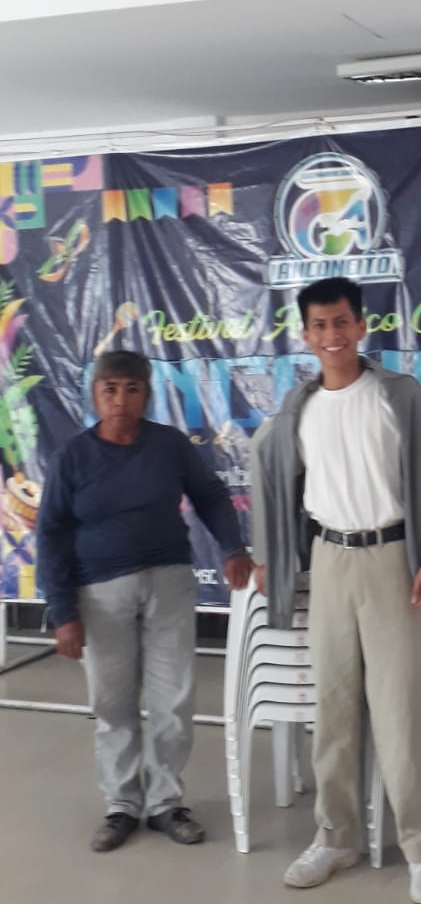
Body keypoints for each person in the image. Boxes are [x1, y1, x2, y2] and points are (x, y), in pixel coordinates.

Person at [251, 277, 421, 904]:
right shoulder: (298, 408)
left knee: (400, 709)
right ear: (305, 335)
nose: (331, 335)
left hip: (392, 559)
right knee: (333, 706)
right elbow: (276, 487)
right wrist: (272, 557)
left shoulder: (400, 397)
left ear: (362, 326)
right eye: (319, 325)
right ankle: (336, 837)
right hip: (328, 560)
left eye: (341, 322)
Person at [36, 349, 253, 853]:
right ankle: (121, 805)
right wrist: (63, 612)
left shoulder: (168, 445)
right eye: (110, 389)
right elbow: (51, 535)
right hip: (99, 594)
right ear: (94, 395)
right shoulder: (73, 457)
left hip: (168, 582)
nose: (120, 400)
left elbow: (210, 494)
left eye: (132, 389)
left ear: (146, 395)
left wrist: (232, 548)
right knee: (112, 703)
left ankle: (165, 803)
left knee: (172, 698)